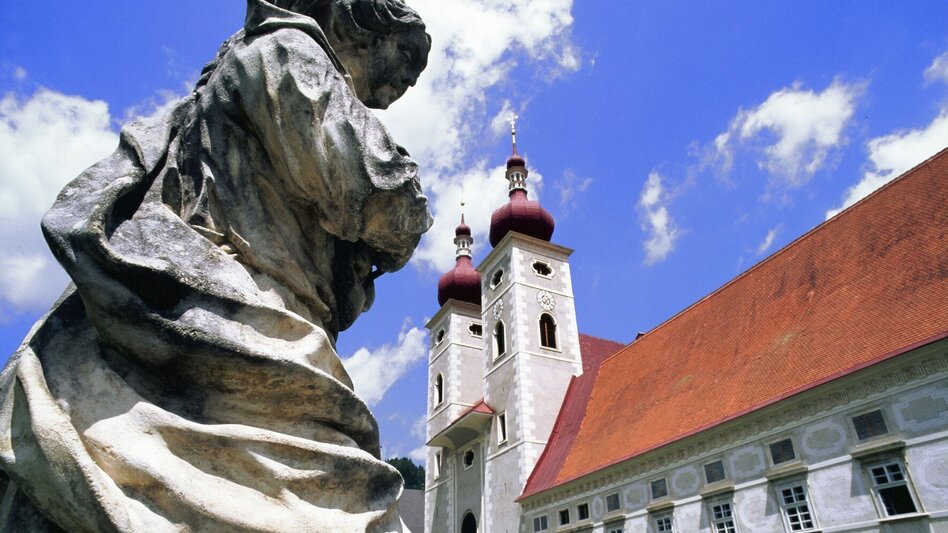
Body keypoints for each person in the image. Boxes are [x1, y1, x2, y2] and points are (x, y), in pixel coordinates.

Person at [0, 0, 431, 531]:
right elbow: (375, 195)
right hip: (248, 309)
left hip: (246, 306)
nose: (400, 87)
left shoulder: (249, 64)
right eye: (403, 59)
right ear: (361, 25)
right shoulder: (288, 52)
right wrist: (408, 207)